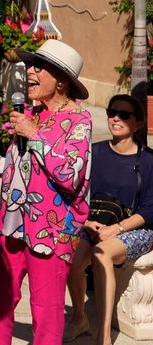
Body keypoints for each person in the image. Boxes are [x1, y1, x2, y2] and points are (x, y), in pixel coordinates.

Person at [0, 39, 92, 345]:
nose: (29, 72)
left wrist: (33, 135)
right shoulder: (34, 116)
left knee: (46, 313)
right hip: (11, 224)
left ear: (61, 79)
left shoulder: (78, 122)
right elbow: (18, 172)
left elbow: (69, 175)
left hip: (51, 231)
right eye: (30, 65)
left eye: (39, 67)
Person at [64, 94, 153, 344]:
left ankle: (103, 337)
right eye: (112, 112)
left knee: (101, 253)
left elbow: (149, 211)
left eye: (124, 115)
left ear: (137, 123)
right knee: (72, 259)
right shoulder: (95, 152)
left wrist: (117, 228)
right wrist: (84, 222)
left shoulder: (148, 161)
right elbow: (78, 192)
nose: (116, 118)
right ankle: (79, 318)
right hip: (95, 222)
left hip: (136, 227)